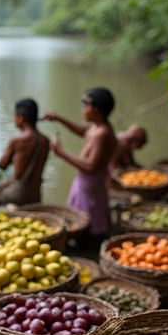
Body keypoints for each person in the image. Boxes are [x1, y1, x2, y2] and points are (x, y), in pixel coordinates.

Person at [44, 87, 118, 238]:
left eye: (85, 104)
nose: (82, 108)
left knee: (90, 225)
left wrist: (61, 153)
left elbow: (91, 166)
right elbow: (83, 131)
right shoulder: (96, 127)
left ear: (97, 109)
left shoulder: (102, 133)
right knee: (81, 219)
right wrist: (59, 119)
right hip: (85, 185)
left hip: (91, 187)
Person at [0, 98, 51, 214]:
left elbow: (1, 165)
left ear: (20, 118)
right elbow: (22, 173)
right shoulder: (45, 141)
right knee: (4, 186)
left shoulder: (17, 140)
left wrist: (10, 150)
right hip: (36, 195)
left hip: (19, 195)